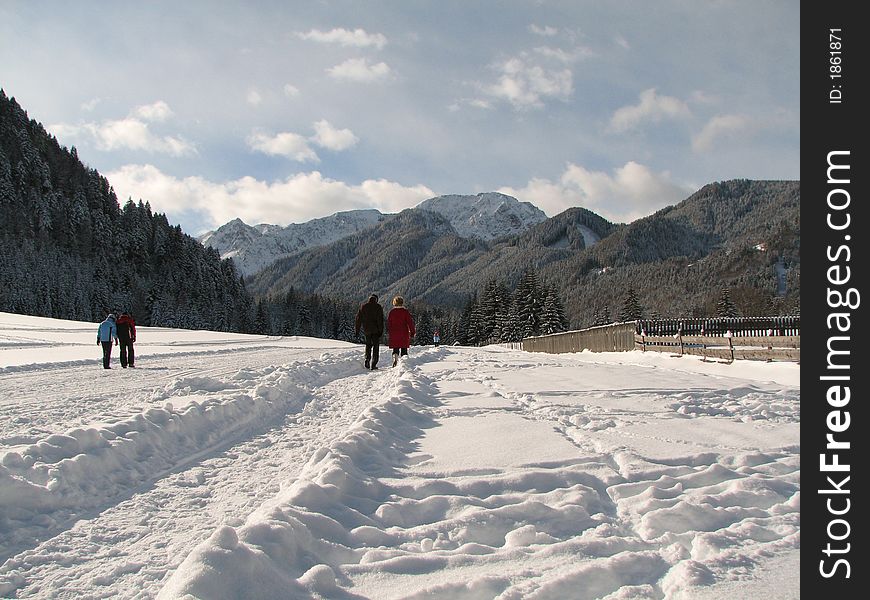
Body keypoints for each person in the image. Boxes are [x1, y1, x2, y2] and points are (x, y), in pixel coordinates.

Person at [355, 294, 384, 370]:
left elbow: (358, 319)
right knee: (376, 347)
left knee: (368, 345)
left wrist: (357, 330)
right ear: (376, 299)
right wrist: (381, 331)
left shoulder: (363, 306)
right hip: (376, 331)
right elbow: (380, 320)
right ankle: (374, 364)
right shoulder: (378, 307)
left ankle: (367, 359)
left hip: (367, 330)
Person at [387, 295, 415, 367]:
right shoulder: (405, 312)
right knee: (404, 349)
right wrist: (412, 332)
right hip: (403, 333)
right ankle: (404, 364)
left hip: (394, 333)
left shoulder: (392, 312)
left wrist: (389, 332)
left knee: (395, 348)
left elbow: (389, 323)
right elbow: (410, 322)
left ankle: (395, 356)